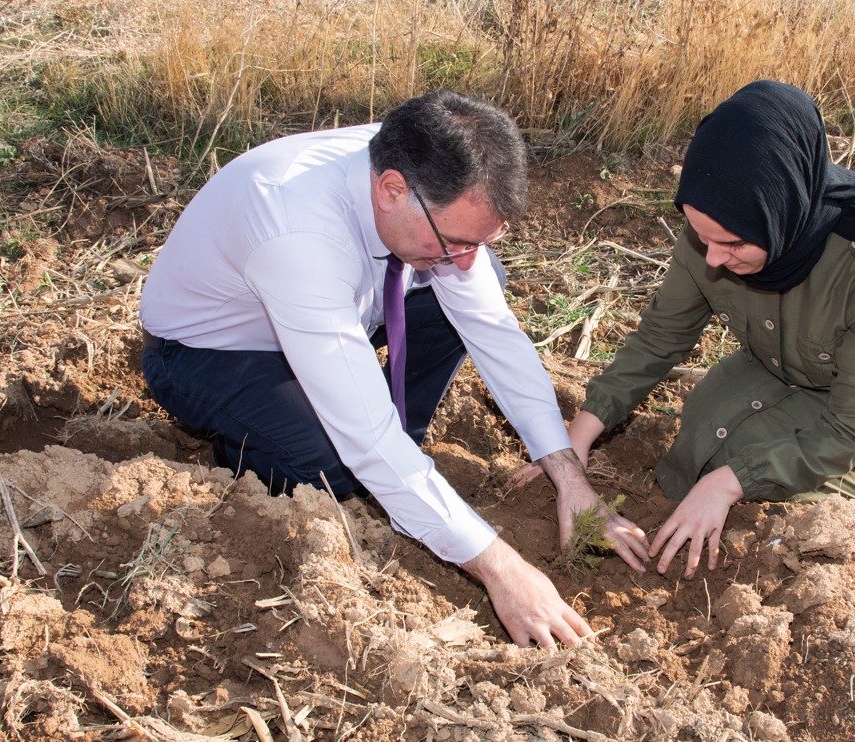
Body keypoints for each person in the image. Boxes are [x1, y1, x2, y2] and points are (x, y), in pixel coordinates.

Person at [139, 90, 649, 648]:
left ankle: (405, 455)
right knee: (334, 459)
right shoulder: (295, 228)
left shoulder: (428, 180)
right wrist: (504, 572)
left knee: (474, 293)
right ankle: (255, 457)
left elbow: (495, 335)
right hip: (211, 352)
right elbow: (365, 436)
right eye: (455, 241)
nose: (466, 260)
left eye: (481, 240)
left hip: (335, 313)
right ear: (390, 190)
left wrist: (569, 478)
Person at [543, 80, 855, 578]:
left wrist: (731, 484)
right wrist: (574, 442)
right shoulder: (716, 224)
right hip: (788, 362)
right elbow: (659, 338)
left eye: (731, 244)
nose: (712, 258)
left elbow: (851, 428)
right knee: (697, 455)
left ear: (782, 212)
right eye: (701, 236)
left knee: (771, 515)